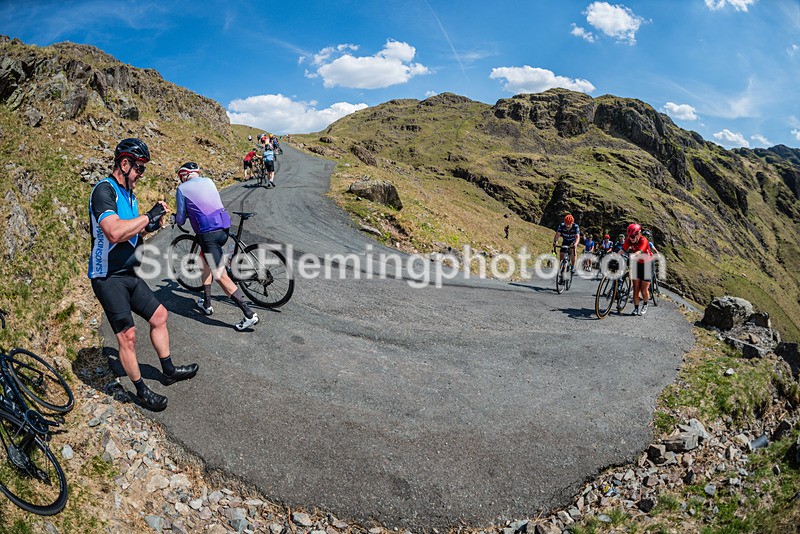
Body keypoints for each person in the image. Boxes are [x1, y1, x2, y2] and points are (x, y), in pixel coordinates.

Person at [88, 138, 198, 411]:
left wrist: (150, 225)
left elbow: (132, 232)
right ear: (124, 164)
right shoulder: (105, 191)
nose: (141, 175)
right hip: (107, 277)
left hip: (130, 274)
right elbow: (113, 231)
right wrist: (148, 215)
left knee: (160, 315)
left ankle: (169, 371)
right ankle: (140, 390)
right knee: (128, 336)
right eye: (139, 168)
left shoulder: (129, 195)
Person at [174, 162, 260, 331]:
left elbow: (181, 219)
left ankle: (249, 314)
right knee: (203, 259)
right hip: (223, 228)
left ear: (184, 175)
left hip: (208, 233)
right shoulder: (209, 181)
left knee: (219, 275)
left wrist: (173, 217)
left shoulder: (182, 189)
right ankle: (206, 303)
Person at [622, 223, 654, 316]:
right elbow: (623, 250)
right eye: (629, 236)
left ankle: (645, 303)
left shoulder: (644, 240)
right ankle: (636, 308)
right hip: (637, 264)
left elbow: (639, 252)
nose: (631, 238)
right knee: (636, 288)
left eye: (633, 236)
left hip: (647, 264)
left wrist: (631, 256)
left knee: (644, 289)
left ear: (639, 233)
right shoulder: (629, 240)